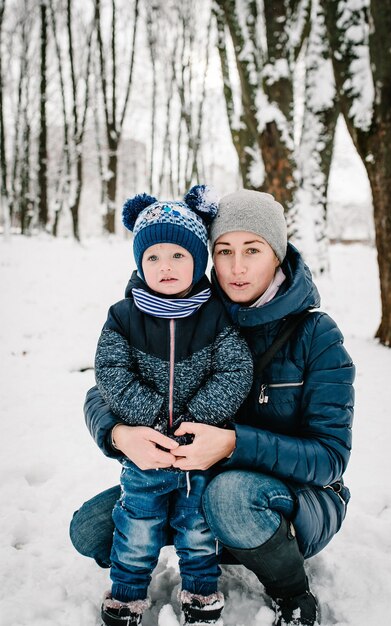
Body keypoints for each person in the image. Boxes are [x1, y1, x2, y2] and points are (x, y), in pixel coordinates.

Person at [70, 189, 355, 626]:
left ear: (277, 255)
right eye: (224, 251)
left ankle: (291, 591)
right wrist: (120, 434)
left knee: (230, 497)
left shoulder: (317, 335)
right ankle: (211, 538)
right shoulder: (187, 308)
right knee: (91, 528)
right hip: (191, 478)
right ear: (208, 256)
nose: (237, 267)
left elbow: (330, 458)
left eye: (252, 250)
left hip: (293, 497)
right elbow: (102, 388)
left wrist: (230, 445)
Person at [92, 185, 253, 626]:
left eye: (178, 256)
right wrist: (147, 417)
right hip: (144, 457)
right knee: (136, 527)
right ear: (139, 264)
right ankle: (126, 593)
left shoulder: (215, 316)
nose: (165, 267)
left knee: (197, 526)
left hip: (195, 453)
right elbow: (109, 370)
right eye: (153, 258)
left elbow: (235, 371)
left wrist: (196, 419)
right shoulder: (123, 317)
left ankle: (201, 591)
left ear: (199, 260)